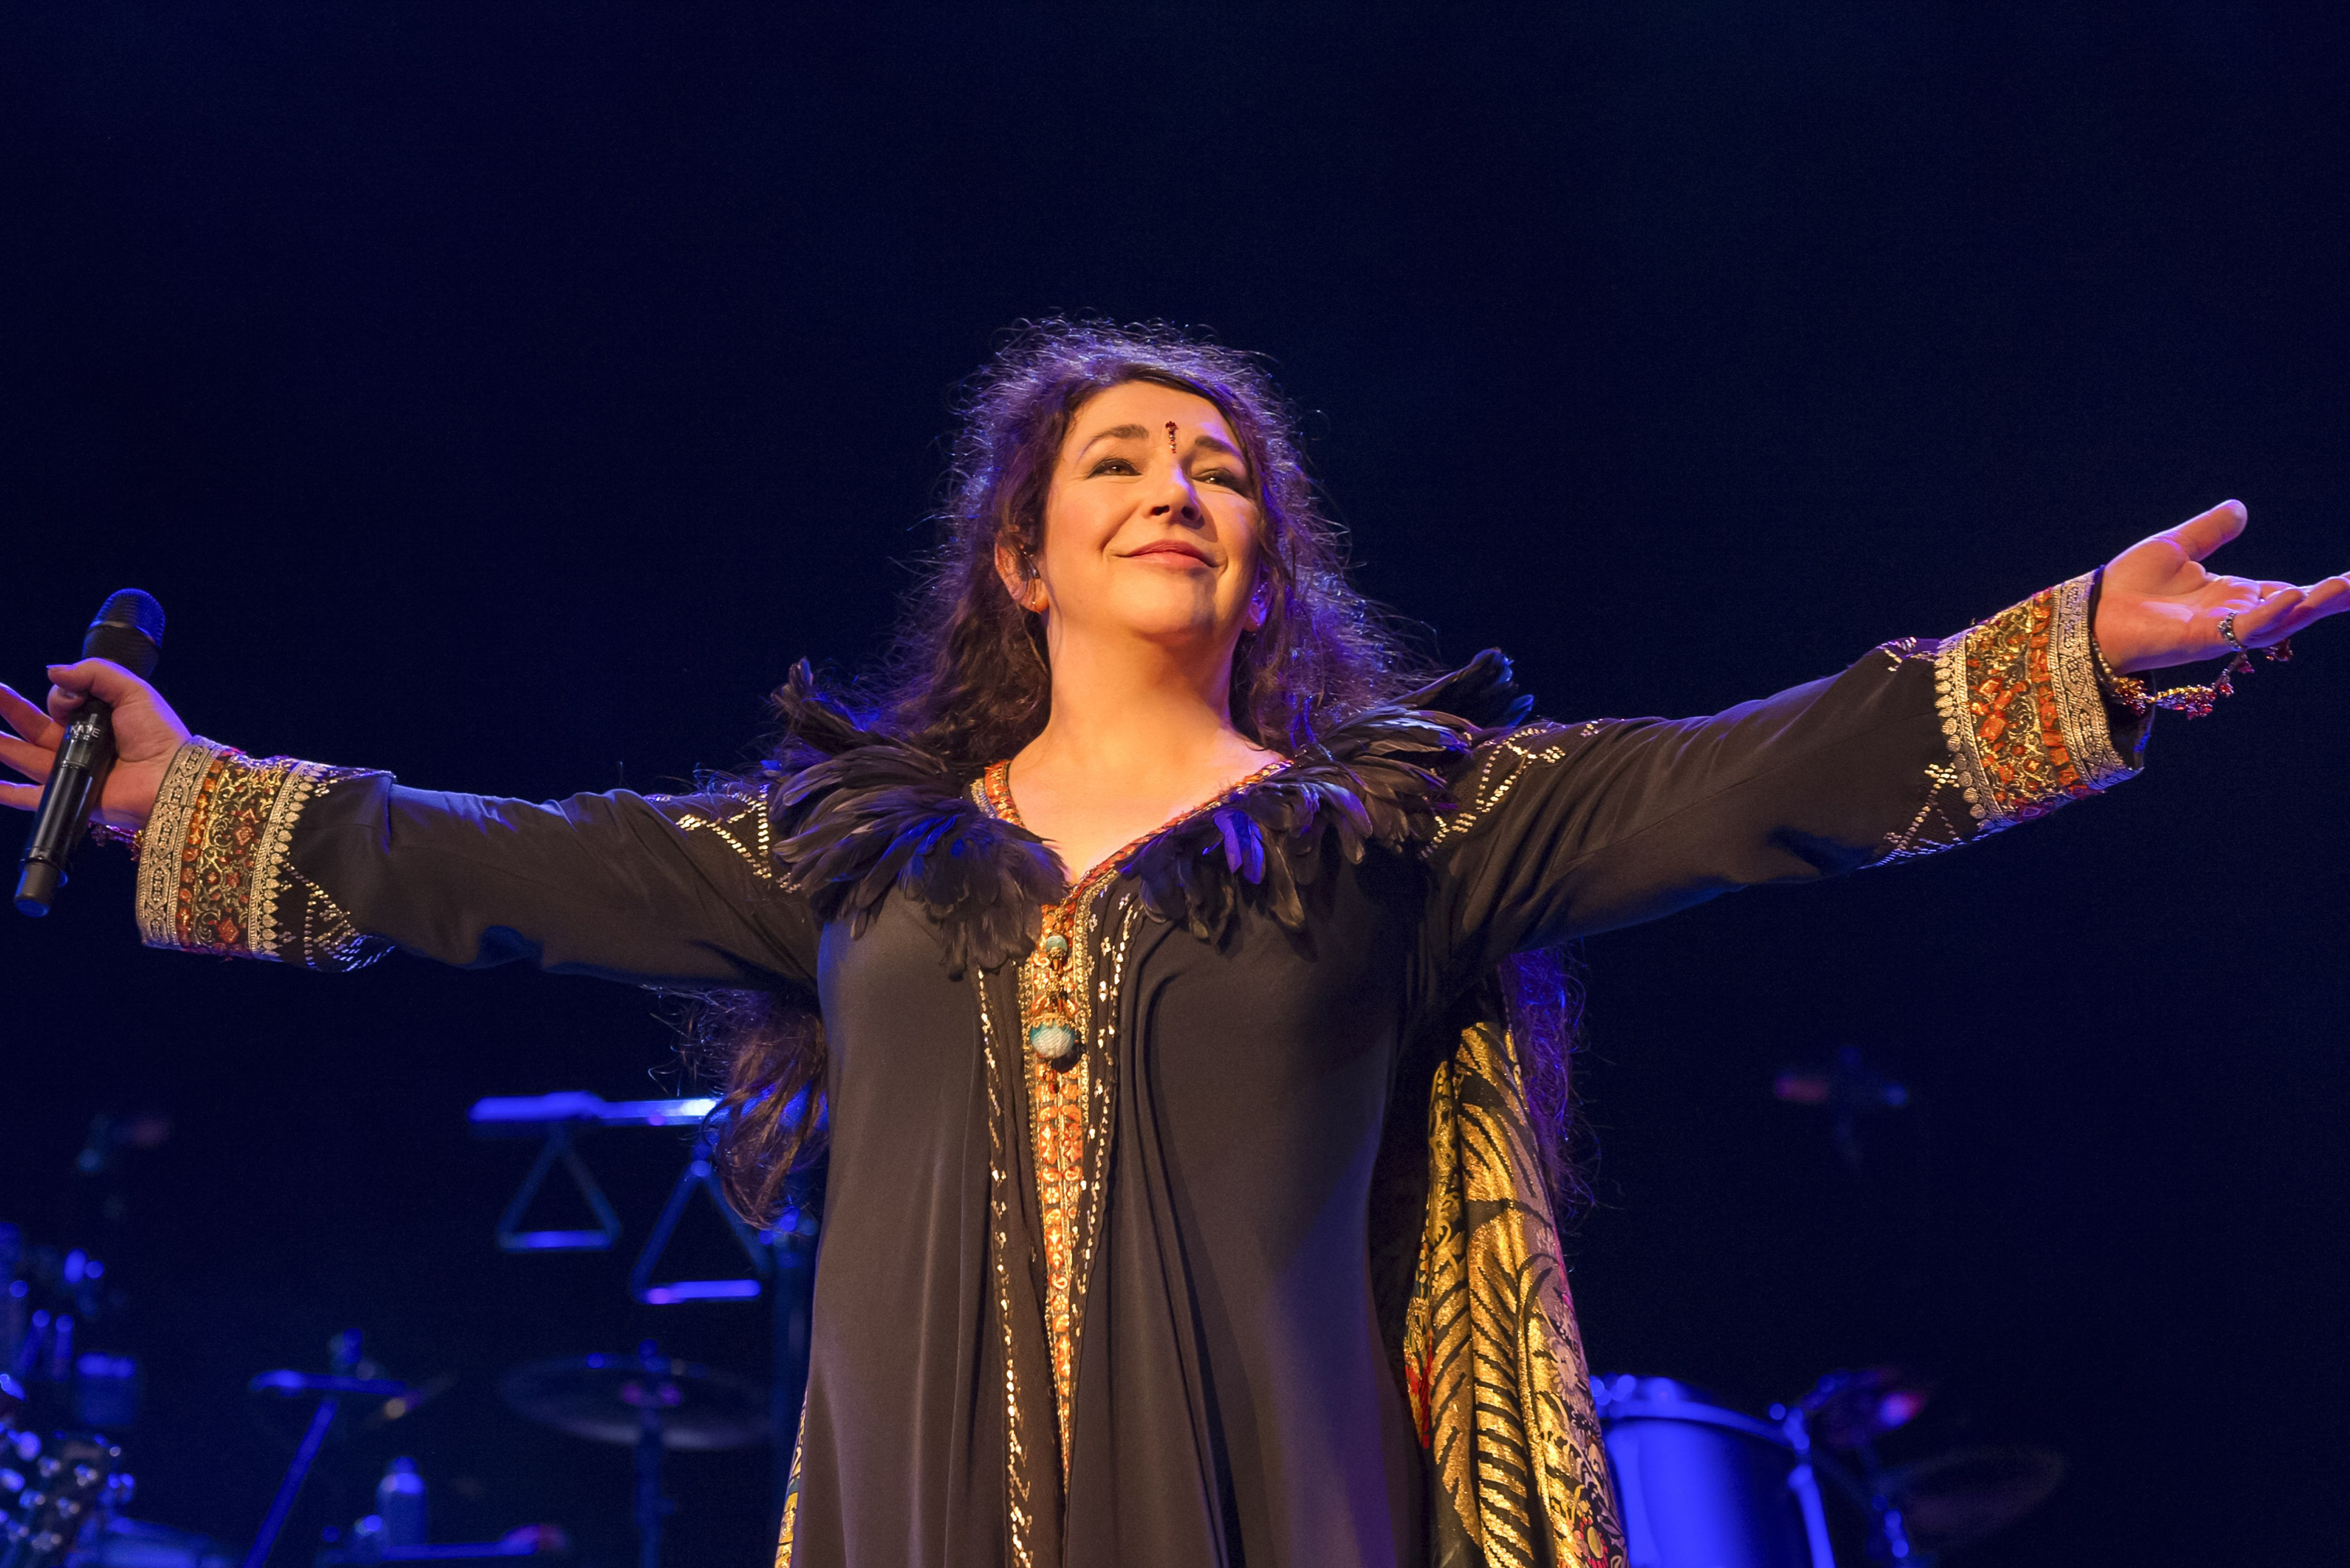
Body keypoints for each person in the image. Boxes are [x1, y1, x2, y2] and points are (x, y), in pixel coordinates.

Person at [3, 321, 2343, 1568]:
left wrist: (2080, 655)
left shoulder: (1420, 831)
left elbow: (1773, 770)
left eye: (1219, 464)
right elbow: (494, 865)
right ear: (1020, 553)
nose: (1173, 485)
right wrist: (176, 796)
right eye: (1117, 457)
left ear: (1270, 556)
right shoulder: (851, 855)